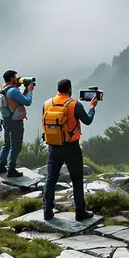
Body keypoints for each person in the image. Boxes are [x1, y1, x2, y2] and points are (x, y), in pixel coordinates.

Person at [42, 79, 99, 221]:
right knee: (77, 179)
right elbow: (87, 120)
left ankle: (47, 212)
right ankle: (80, 212)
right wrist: (92, 107)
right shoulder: (74, 104)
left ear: (58, 89)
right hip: (71, 147)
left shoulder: (47, 103)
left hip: (53, 146)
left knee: (51, 179)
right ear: (69, 89)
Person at [0, 70, 34, 177]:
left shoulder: (1, 89)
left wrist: (23, 89)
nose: (17, 79)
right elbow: (27, 102)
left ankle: (1, 167)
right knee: (16, 146)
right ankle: (11, 170)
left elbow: (15, 99)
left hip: (5, 120)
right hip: (15, 121)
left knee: (6, 144)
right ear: (12, 78)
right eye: (15, 77)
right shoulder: (13, 91)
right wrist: (30, 91)